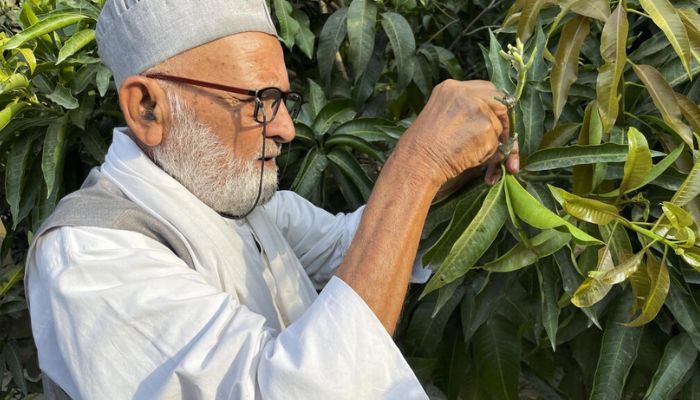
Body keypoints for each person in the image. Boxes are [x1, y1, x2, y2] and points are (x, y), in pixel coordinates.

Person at [24, 0, 520, 398]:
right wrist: (416, 164)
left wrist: (450, 178)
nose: (284, 128)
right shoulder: (88, 258)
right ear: (147, 108)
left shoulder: (241, 202)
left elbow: (356, 245)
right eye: (257, 102)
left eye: (283, 99)